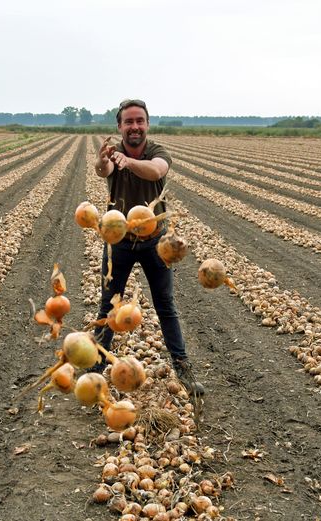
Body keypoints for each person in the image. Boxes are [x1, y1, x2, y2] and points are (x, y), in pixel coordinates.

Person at [91, 99, 204, 396]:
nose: (135, 127)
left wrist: (128, 163)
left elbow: (156, 171)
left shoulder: (157, 151)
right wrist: (104, 160)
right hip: (119, 243)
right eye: (128, 122)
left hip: (156, 243)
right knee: (108, 305)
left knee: (165, 305)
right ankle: (95, 368)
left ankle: (182, 367)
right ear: (119, 126)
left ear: (147, 124)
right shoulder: (113, 153)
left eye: (139, 121)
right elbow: (101, 170)